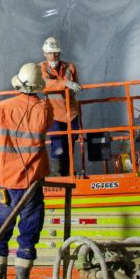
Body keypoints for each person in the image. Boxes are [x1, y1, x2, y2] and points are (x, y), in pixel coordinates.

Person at [0, 63, 53, 279]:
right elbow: (48, 120)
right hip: (31, 184)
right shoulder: (44, 107)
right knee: (28, 234)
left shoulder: (2, 107)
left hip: (5, 181)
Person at [39, 36, 81, 176]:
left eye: (56, 52)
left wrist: (69, 85)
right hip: (54, 115)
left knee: (70, 145)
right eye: (50, 53)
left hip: (71, 113)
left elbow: (76, 87)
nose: (53, 55)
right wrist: (65, 83)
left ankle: (69, 174)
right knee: (58, 146)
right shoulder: (42, 68)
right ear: (45, 53)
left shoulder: (70, 67)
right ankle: (58, 177)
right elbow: (45, 84)